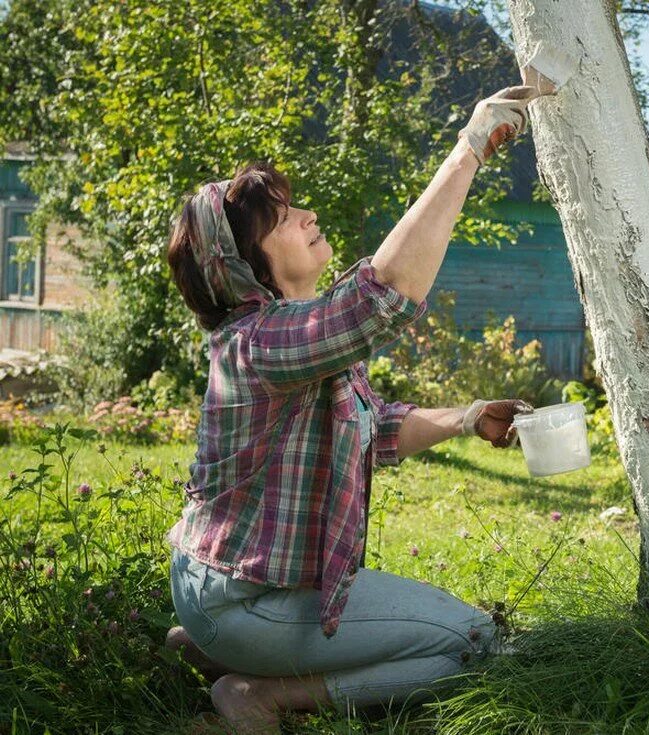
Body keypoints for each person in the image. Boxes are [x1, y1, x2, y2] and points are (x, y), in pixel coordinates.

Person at [162, 85, 541, 733]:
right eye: (283, 219)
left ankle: (209, 641)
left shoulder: (291, 334)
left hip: (225, 591)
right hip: (251, 599)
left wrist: (467, 414)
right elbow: (385, 293)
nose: (306, 215)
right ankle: (262, 691)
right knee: (477, 643)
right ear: (243, 265)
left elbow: (376, 425)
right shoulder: (259, 341)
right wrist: (468, 149)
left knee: (459, 635)